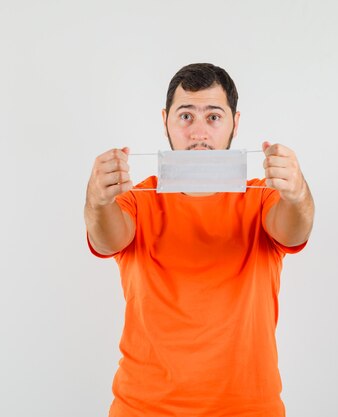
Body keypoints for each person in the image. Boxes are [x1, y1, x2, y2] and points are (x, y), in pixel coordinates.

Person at [84, 63, 315, 417]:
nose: (199, 133)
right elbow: (106, 240)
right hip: (144, 408)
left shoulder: (263, 197)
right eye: (186, 116)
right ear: (166, 121)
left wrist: (297, 193)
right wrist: (98, 200)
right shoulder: (137, 198)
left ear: (235, 123)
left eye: (214, 117)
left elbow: (294, 229)